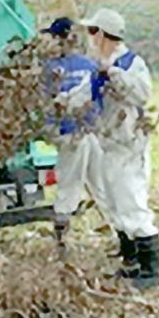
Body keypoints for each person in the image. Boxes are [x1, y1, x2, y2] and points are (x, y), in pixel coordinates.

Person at [78, 8, 159, 289]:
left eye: (92, 31)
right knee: (114, 203)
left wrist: (112, 73)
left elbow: (141, 93)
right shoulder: (96, 65)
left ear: (102, 33)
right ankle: (131, 261)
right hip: (107, 144)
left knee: (132, 201)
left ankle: (151, 271)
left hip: (128, 144)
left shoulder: (130, 62)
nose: (89, 37)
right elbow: (83, 95)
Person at [41, 17, 111, 251]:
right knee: (101, 185)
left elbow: (45, 105)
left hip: (69, 134)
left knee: (68, 187)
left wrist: (50, 132)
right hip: (93, 131)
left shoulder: (48, 68)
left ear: (58, 38)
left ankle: (62, 242)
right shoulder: (89, 64)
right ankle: (122, 238)